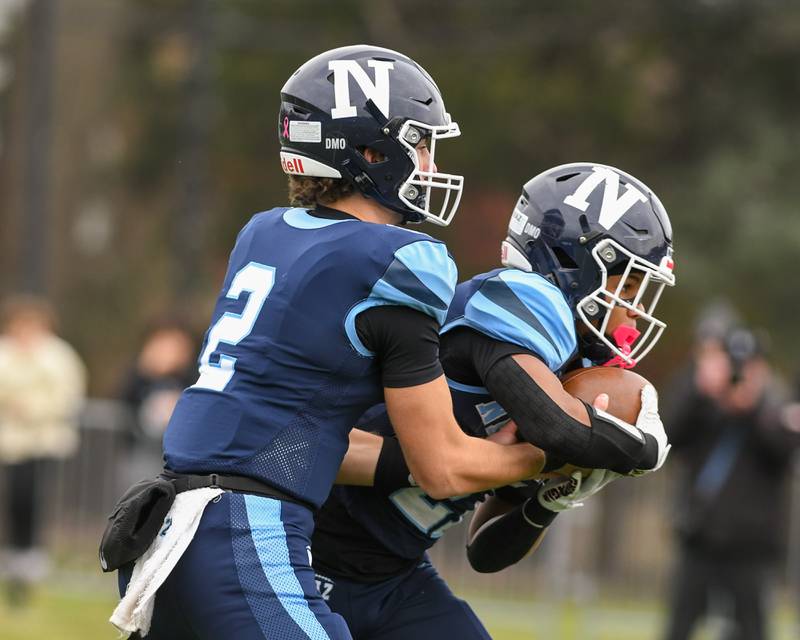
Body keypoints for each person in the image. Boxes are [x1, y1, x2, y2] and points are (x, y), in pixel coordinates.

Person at [109, 45, 546, 640]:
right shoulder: (398, 258)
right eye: (419, 143)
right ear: (371, 152)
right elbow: (441, 468)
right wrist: (543, 458)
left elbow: (307, 420)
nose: (428, 162)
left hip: (169, 524)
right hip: (243, 529)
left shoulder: (263, 232)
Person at [311, 162, 677, 639]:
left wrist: (548, 499)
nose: (636, 310)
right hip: (309, 544)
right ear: (574, 265)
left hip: (390, 574)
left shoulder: (564, 374)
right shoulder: (518, 299)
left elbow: (485, 553)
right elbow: (556, 430)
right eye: (627, 285)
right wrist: (642, 446)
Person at [661, 325, 800, 640]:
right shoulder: (705, 407)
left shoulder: (775, 408)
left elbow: (784, 450)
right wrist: (699, 391)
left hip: (750, 546)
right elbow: (668, 440)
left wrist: (754, 407)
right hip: (700, 536)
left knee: (751, 629)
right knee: (679, 627)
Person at [0, 295, 87, 606]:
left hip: (45, 441)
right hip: (10, 442)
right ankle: (12, 553)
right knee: (13, 499)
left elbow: (68, 396)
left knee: (35, 497)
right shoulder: (5, 353)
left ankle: (32, 555)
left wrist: (33, 408)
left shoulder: (58, 357)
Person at [118, 317, 198, 483]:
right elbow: (123, 401)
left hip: (181, 461)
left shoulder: (195, 375)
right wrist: (145, 372)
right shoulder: (139, 375)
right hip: (142, 455)